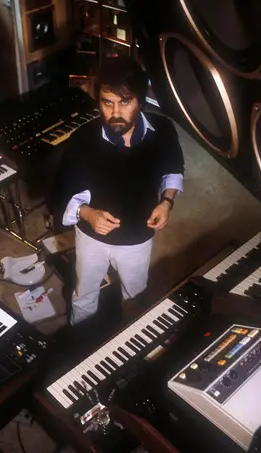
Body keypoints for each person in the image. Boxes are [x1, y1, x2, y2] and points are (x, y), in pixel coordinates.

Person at [55, 57, 185, 325]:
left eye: (124, 102)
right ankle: (80, 339)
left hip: (138, 237)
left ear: (140, 101)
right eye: (107, 102)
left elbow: (173, 168)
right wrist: (87, 213)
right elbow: (63, 189)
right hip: (92, 238)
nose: (115, 113)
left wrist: (166, 202)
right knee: (84, 293)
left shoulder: (163, 130)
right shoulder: (82, 140)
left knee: (135, 296)